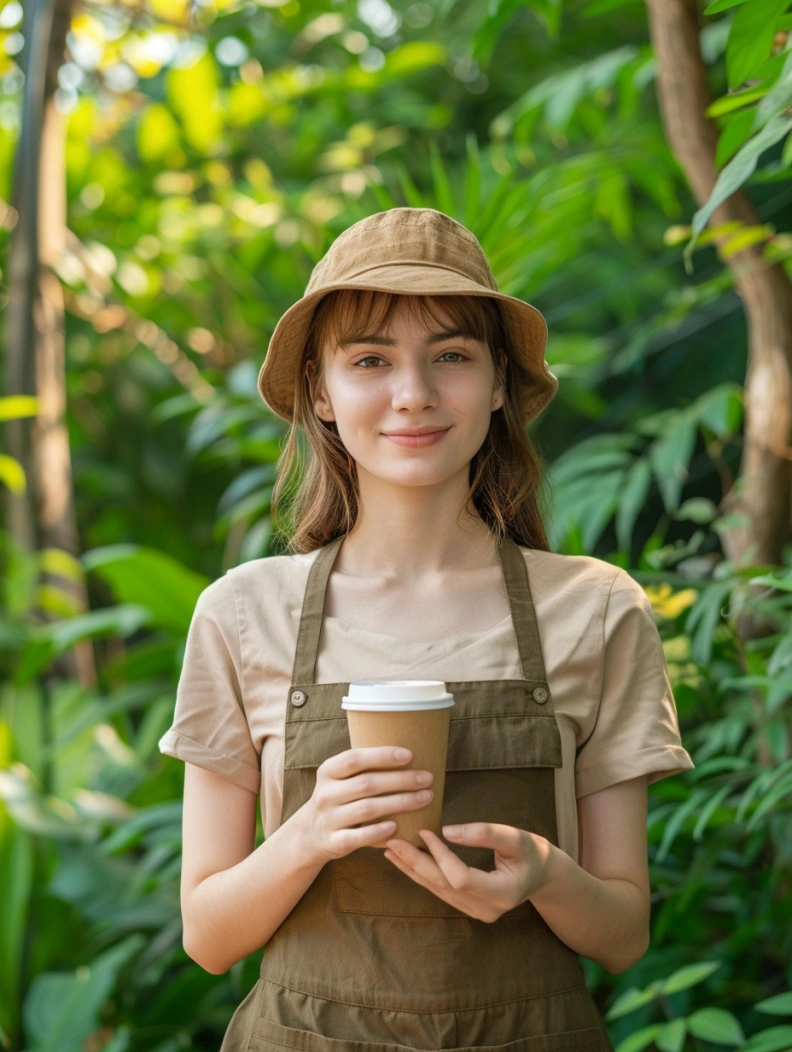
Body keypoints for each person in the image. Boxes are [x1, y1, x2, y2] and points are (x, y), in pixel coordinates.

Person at [158, 207, 696, 1052]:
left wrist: (547, 877)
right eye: (370, 359)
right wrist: (308, 835)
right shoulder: (241, 612)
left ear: (496, 387)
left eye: (451, 356)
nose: (414, 393)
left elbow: (624, 935)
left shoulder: (594, 609)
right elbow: (209, 936)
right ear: (321, 394)